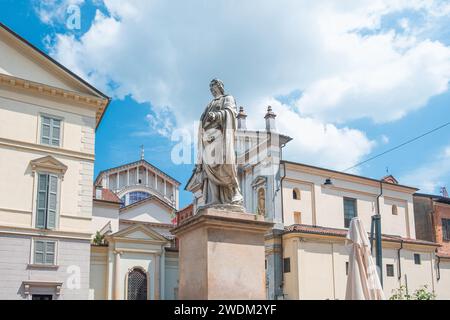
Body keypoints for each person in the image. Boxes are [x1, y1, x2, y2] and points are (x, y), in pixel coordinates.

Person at [195, 79, 243, 206]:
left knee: (227, 165)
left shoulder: (228, 98)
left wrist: (216, 116)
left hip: (220, 138)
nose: (212, 88)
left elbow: (231, 112)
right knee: (209, 170)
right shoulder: (209, 104)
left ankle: (234, 192)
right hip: (208, 140)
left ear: (220, 86)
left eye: (214, 85)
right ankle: (214, 200)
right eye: (210, 86)